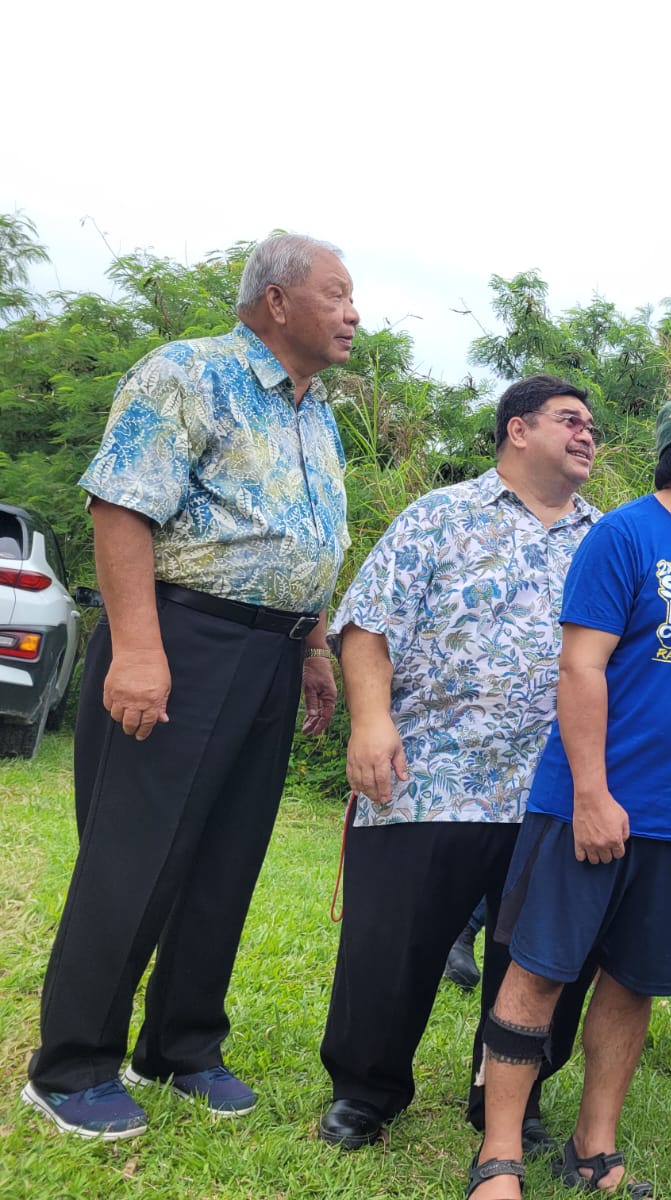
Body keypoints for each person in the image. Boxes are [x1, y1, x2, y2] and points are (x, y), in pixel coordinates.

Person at [22, 233, 355, 1139]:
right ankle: (73, 1067)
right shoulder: (189, 374)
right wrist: (136, 650)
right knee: (138, 854)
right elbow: (121, 506)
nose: (353, 313)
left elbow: (306, 540)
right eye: (336, 294)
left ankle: (180, 1045)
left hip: (273, 654)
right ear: (278, 300)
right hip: (184, 638)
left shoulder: (312, 409)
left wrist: (314, 648)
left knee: (227, 857)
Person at [469, 389, 671, 1199]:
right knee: (538, 970)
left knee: (638, 979)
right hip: (596, 802)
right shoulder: (624, 535)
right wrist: (592, 792)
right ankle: (497, 1154)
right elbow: (581, 668)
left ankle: (593, 1146)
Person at [315, 376, 602, 1152]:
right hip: (430, 777)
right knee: (392, 947)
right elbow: (367, 624)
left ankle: (510, 1103)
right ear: (517, 429)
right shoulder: (439, 517)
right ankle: (364, 1094)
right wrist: (370, 723)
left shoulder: (606, 539)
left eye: (592, 427)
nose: (587, 435)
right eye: (569, 420)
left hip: (551, 790)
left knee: (540, 960)